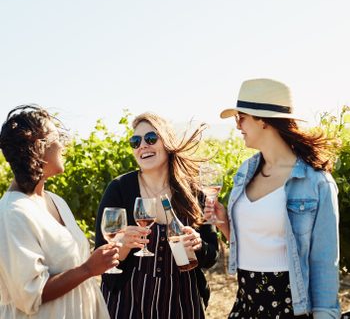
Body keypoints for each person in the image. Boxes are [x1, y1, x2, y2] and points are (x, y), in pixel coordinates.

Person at [205, 79, 340, 318]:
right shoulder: (244, 172)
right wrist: (224, 222)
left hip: (290, 307)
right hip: (246, 304)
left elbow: (324, 265)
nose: (238, 126)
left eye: (241, 118)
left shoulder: (316, 182)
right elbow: (254, 244)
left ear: (263, 120)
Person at [95, 112, 219, 319]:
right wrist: (123, 244)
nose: (142, 145)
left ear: (167, 143)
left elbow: (211, 256)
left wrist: (199, 245)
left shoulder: (194, 192)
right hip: (127, 302)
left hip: (182, 302)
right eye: (135, 141)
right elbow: (102, 256)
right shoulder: (119, 189)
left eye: (151, 138)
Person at [0, 105, 120, 319]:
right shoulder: (12, 212)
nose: (64, 145)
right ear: (38, 146)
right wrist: (88, 269)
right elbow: (29, 295)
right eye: (58, 137)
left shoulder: (57, 201)